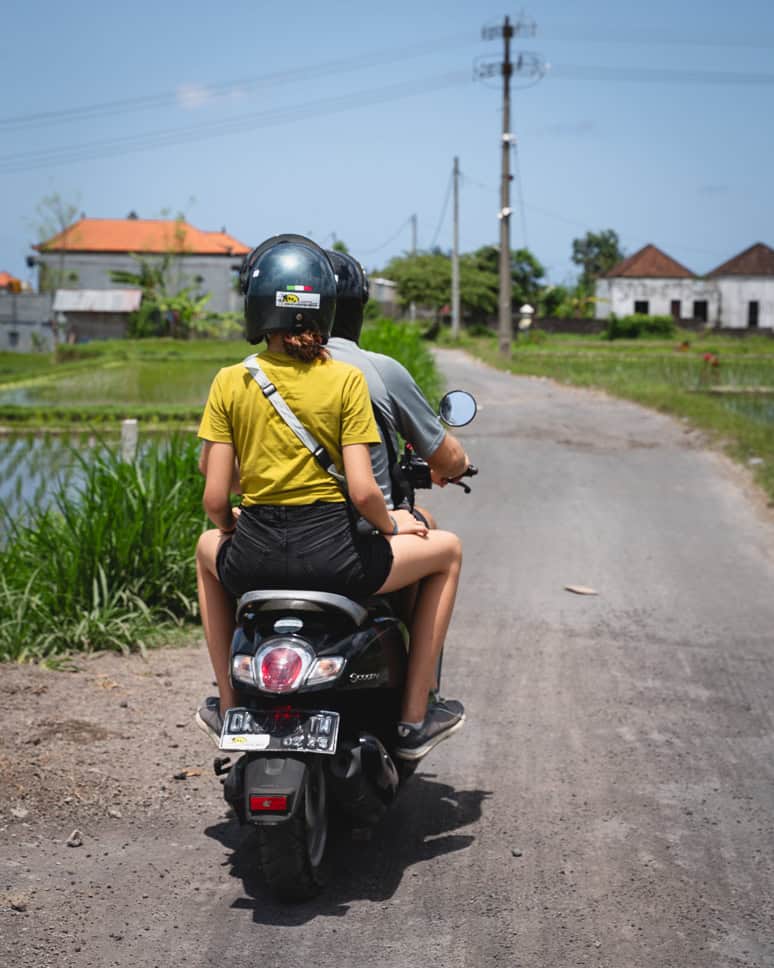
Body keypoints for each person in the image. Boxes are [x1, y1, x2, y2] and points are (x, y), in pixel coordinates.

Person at [195, 235, 465, 761]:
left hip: (253, 560)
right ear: (329, 310)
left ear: (256, 312)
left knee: (207, 553)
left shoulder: (229, 381)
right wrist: (392, 526)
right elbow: (364, 491)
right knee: (448, 550)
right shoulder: (343, 381)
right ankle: (413, 719)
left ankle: (229, 707)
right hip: (338, 562)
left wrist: (230, 528)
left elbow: (213, 495)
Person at [325, 250, 470, 525]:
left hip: (267, 536)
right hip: (364, 535)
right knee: (446, 546)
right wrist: (457, 465)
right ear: (358, 308)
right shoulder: (377, 371)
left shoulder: (253, 373)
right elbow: (447, 458)